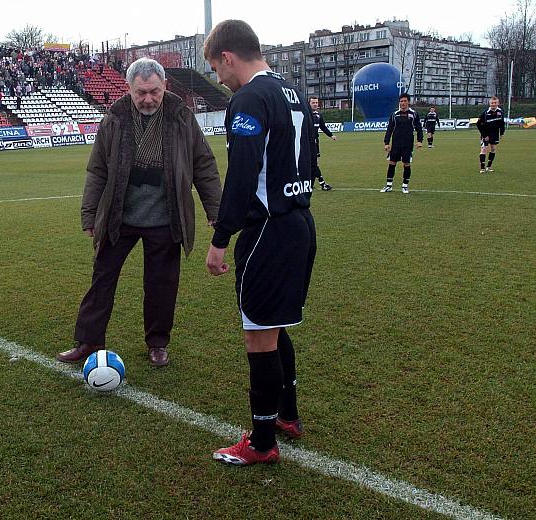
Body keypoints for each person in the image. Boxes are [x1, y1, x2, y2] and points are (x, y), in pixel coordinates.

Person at [56, 57, 221, 368]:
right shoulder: (115, 117)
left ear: (165, 87)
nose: (148, 99)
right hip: (120, 216)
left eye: (154, 92)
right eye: (141, 92)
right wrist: (90, 214)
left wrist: (215, 210)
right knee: (102, 279)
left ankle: (158, 343)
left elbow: (203, 165)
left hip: (166, 217)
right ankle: (89, 340)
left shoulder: (181, 116)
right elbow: (97, 170)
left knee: (162, 285)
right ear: (128, 89)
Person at [204, 20, 316, 466]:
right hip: (300, 222)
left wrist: (220, 238)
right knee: (274, 324)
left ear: (228, 57)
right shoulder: (292, 92)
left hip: (269, 228)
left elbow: (243, 173)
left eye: (216, 69)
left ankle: (263, 441)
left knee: (258, 334)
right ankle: (287, 416)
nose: (219, 79)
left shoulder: (248, 97)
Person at [380, 94, 423, 194]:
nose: (402, 103)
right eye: (401, 101)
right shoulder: (394, 114)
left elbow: (419, 128)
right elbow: (389, 129)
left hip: (407, 144)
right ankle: (389, 185)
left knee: (406, 164)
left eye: (404, 101)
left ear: (408, 102)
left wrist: (420, 141)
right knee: (392, 163)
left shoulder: (414, 114)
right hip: (396, 144)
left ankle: (405, 186)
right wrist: (386, 143)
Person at [308, 96, 336, 191]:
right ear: (309, 103)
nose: (315, 104)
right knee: (314, 164)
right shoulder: (306, 114)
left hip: (315, 143)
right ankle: (322, 183)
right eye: (313, 103)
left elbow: (323, 127)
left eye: (316, 102)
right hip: (307, 144)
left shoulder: (318, 115)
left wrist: (331, 135)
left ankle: (309, 185)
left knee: (314, 165)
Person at [476, 96, 505, 173]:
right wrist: (484, 135)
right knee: (484, 149)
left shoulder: (501, 112)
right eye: (492, 103)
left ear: (498, 103)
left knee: (493, 149)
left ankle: (489, 166)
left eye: (495, 103)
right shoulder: (485, 113)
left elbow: (502, 123)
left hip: (495, 133)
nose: (493, 104)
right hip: (485, 133)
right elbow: (478, 124)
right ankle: (482, 168)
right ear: (489, 103)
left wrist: (502, 133)